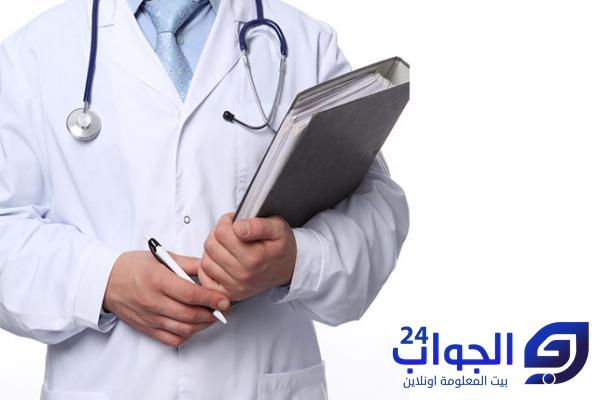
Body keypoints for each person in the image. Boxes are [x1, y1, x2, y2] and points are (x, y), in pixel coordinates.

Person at [0, 0, 409, 398]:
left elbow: (375, 210)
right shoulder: (33, 53)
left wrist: (296, 259)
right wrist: (102, 280)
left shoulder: (306, 44)